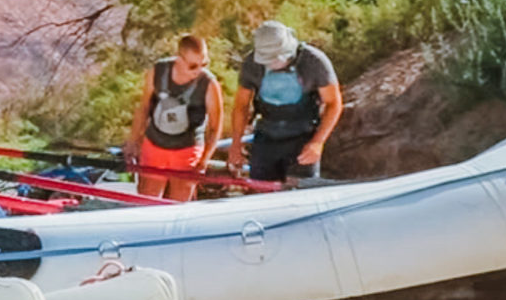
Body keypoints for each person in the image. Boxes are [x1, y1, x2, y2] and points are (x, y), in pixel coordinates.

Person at [228, 21, 344, 184]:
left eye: (276, 58)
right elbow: (241, 105)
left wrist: (317, 142)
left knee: (301, 197)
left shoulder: (313, 62)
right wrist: (235, 144)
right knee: (261, 195)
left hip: (302, 139)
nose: (273, 63)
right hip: (266, 139)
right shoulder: (251, 65)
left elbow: (333, 103)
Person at [122, 34, 222, 202]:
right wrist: (133, 141)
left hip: (187, 150)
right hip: (154, 145)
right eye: (193, 65)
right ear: (179, 59)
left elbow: (215, 126)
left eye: (204, 64)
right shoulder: (159, 71)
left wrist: (204, 160)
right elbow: (144, 107)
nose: (198, 70)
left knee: (178, 206)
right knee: (146, 201)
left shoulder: (209, 84)